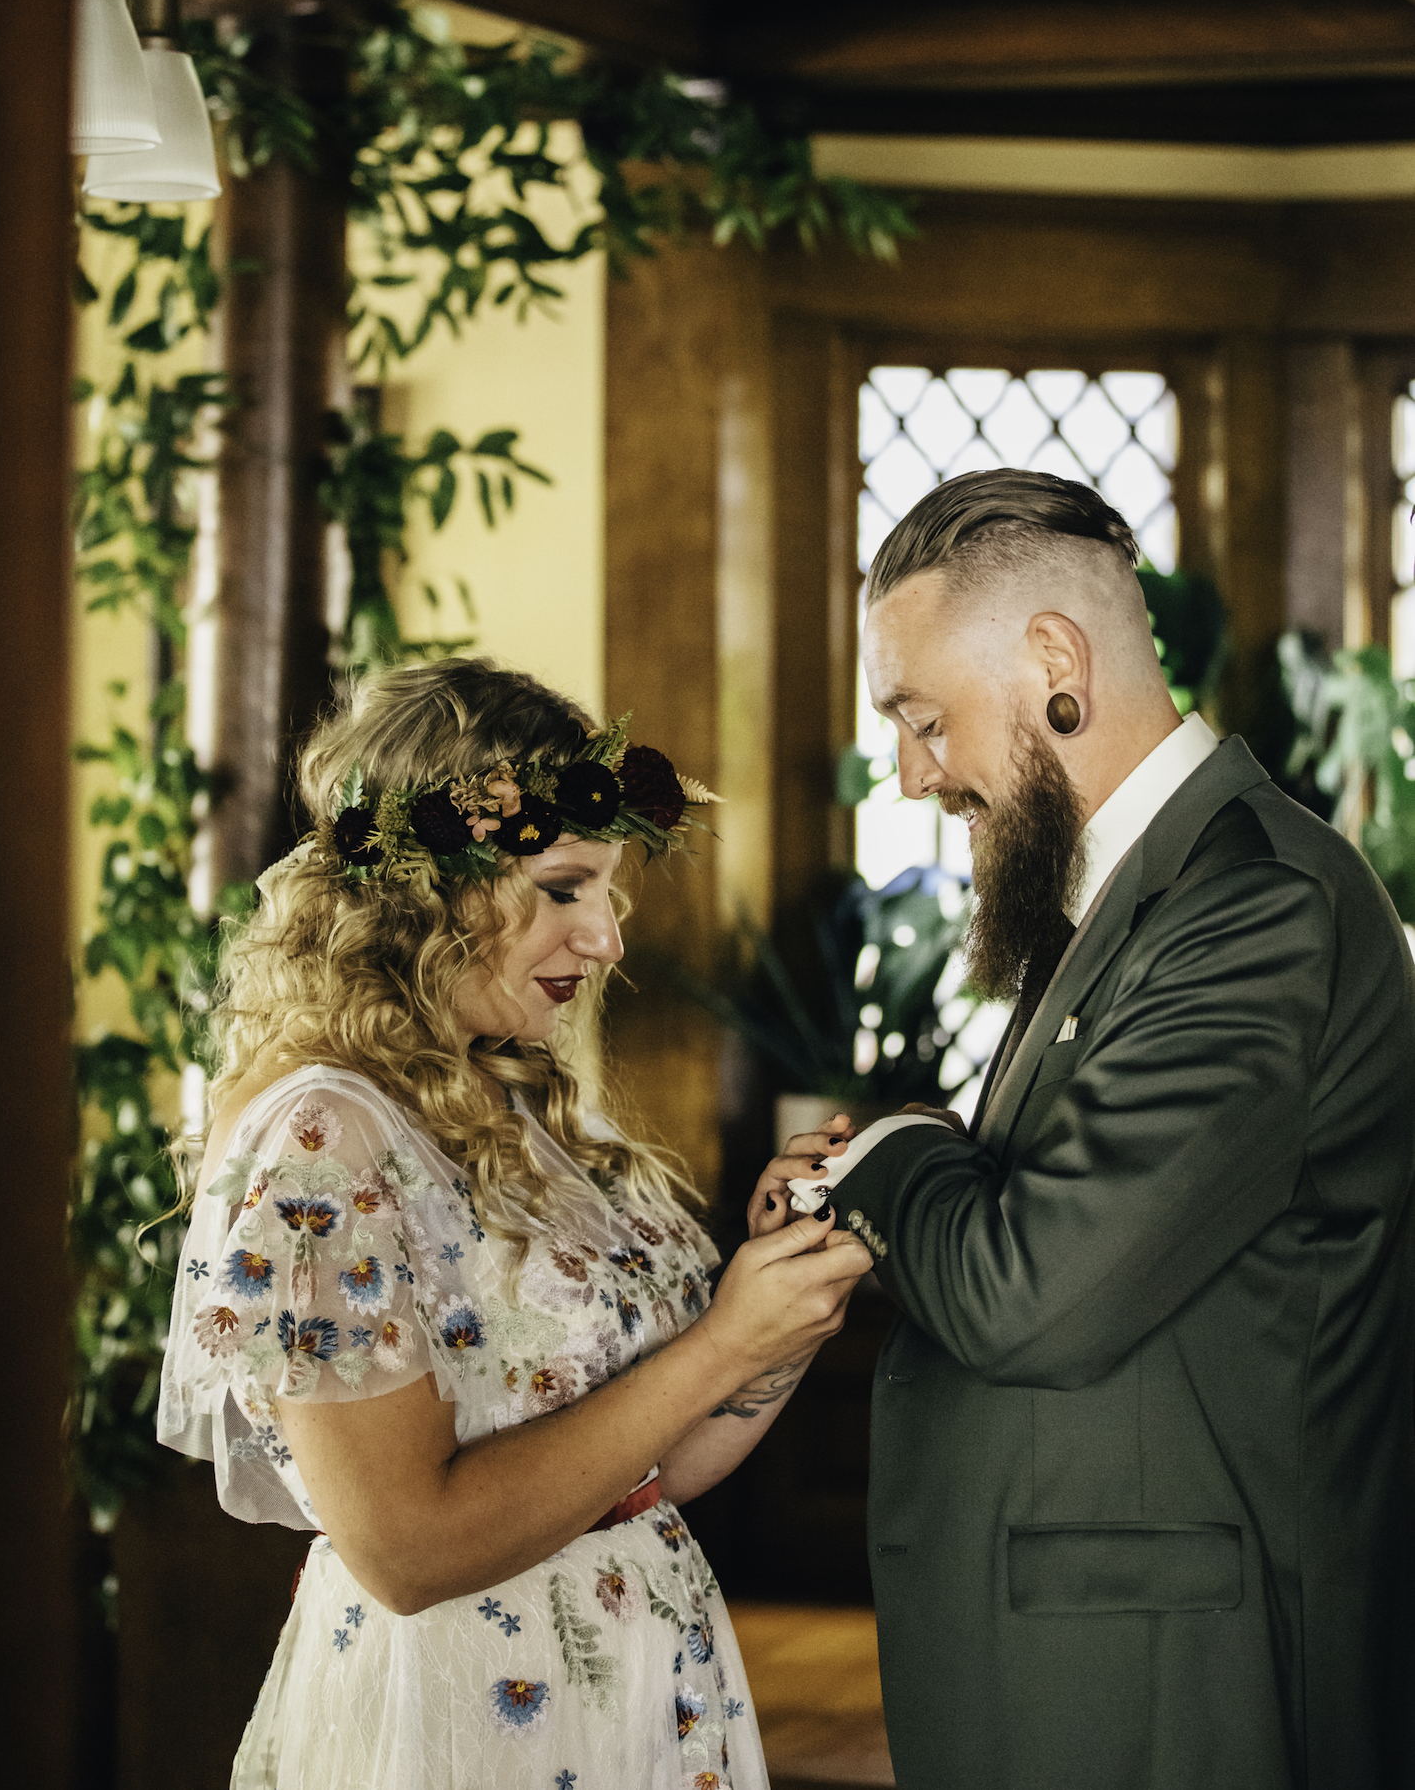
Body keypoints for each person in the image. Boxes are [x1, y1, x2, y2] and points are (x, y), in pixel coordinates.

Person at [754, 470, 1415, 1790]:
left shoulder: (1251, 905)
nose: (911, 770)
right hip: (1114, 1659)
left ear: (1054, 659)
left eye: (924, 716)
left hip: (1185, 1681)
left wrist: (888, 1154)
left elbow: (1035, 1291)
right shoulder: (1139, 890)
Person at [159, 658, 872, 1790]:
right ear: (425, 891)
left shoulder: (520, 1102)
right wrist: (723, 1342)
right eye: (564, 889)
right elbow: (404, 1549)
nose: (608, 942)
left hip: (634, 1691)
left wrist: (780, 1311)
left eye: (607, 893)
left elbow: (655, 1463)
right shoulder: (322, 1141)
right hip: (462, 1720)